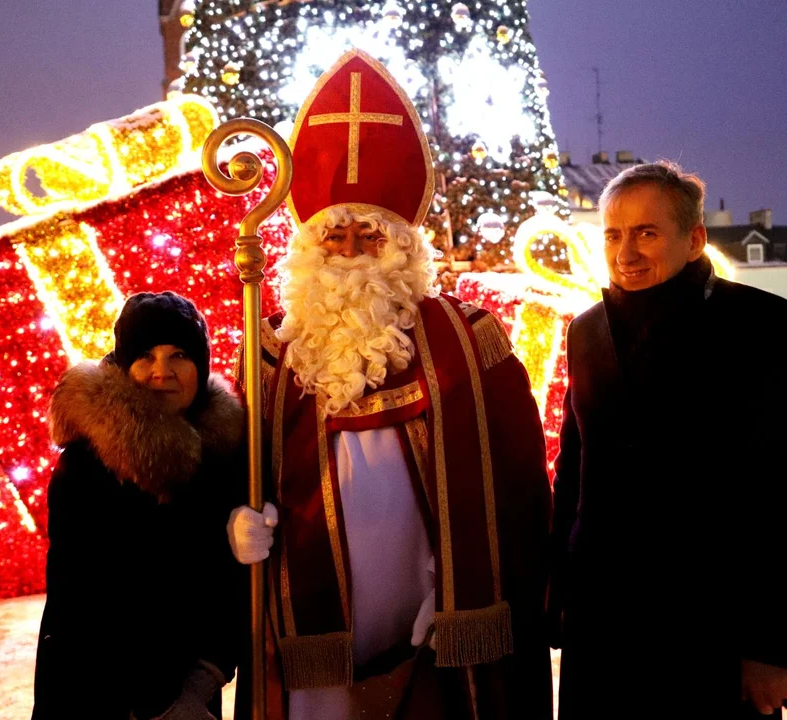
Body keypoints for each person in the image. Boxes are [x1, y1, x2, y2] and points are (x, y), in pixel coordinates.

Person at [227, 49, 553, 718]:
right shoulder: (269, 354)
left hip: (436, 616)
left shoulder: (471, 340)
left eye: (368, 236)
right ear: (308, 249)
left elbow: (519, 483)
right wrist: (231, 521)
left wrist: (472, 584)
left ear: (403, 244)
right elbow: (235, 470)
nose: (348, 251)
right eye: (334, 236)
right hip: (311, 630)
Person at [550, 162, 787, 718]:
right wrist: (559, 594)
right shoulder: (586, 330)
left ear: (695, 238)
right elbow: (575, 473)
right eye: (613, 234)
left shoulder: (766, 327)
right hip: (603, 631)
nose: (625, 253)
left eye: (647, 233)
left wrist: (776, 649)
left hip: (715, 636)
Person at [32, 291, 246, 720]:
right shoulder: (90, 463)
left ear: (200, 365)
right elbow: (85, 602)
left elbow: (226, 584)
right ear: (125, 364)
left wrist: (207, 675)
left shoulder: (222, 456)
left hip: (193, 691)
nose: (161, 372)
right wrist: (161, 703)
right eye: (145, 355)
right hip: (100, 694)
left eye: (179, 354)